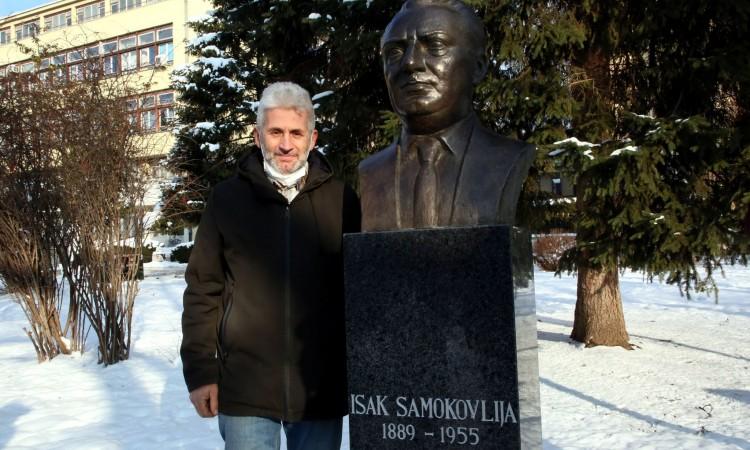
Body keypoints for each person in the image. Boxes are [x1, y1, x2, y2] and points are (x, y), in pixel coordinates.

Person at [180, 81, 360, 449]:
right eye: (275, 131)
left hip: (319, 386)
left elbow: (359, 291)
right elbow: (203, 288)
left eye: (297, 132)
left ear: (313, 138)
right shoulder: (227, 199)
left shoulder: (342, 200)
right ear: (257, 135)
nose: (286, 144)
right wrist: (200, 371)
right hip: (245, 384)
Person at [358, 0, 536, 231]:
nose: (410, 63)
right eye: (395, 52)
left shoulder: (507, 160)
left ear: (479, 66)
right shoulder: (371, 174)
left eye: (435, 46)